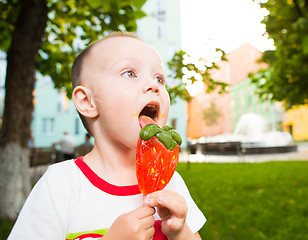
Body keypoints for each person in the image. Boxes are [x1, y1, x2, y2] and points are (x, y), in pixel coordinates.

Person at [9, 32, 206, 239]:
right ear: (87, 102)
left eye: (159, 78)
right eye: (130, 73)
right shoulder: (60, 184)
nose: (154, 86)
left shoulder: (170, 181)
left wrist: (179, 231)